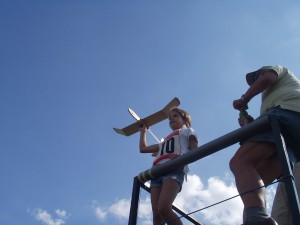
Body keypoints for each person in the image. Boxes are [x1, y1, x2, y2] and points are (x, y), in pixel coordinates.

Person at [229, 65, 300, 225]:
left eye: (256, 78)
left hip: (284, 115)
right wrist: (251, 124)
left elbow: (268, 78)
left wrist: (244, 98)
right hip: (289, 131)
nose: (256, 82)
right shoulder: (275, 95)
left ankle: (258, 220)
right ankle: (256, 217)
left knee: (241, 162)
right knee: (255, 182)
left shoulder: (278, 70)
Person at [139, 107, 198, 225]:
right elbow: (143, 149)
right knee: (156, 216)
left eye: (175, 116)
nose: (171, 119)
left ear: (185, 120)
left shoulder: (188, 131)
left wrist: (182, 156)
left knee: (164, 208)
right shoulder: (164, 141)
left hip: (174, 170)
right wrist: (143, 131)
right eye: (169, 118)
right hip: (156, 173)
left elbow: (194, 149)